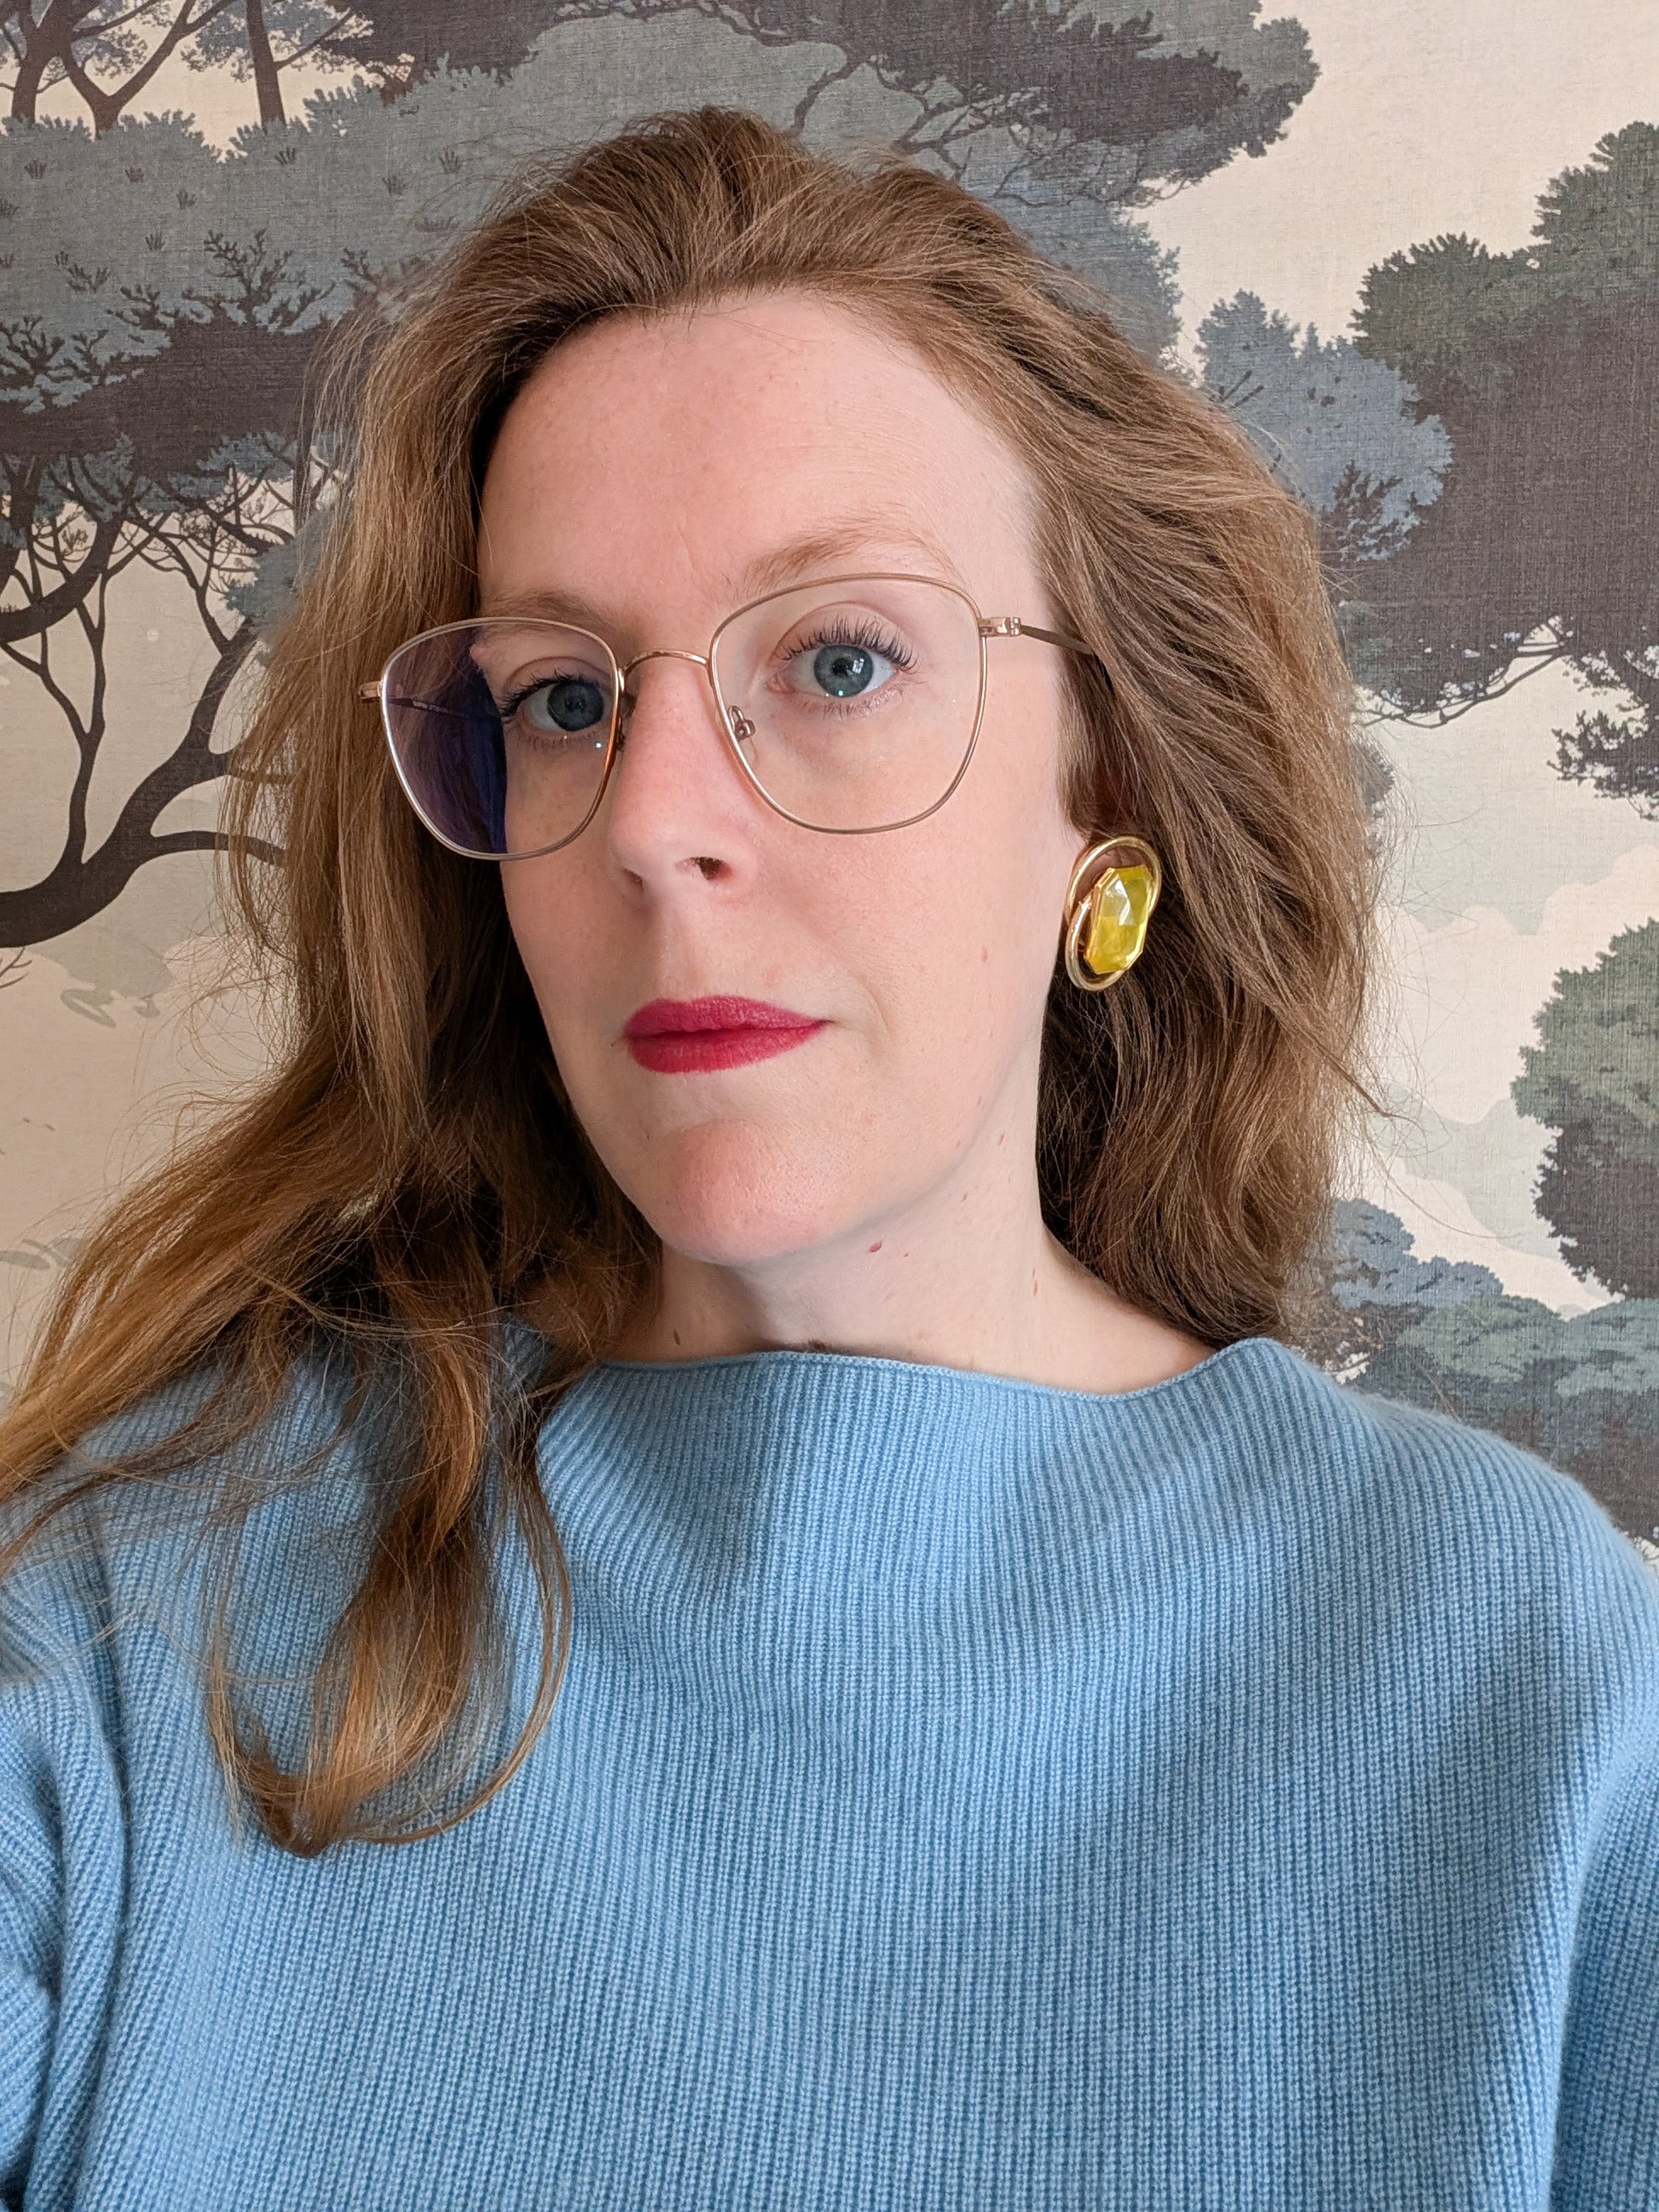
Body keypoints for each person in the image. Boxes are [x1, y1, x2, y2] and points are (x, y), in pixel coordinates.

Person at [0, 106, 1653, 2212]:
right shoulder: (142, 1613)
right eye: (563, 696)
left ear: (1109, 786)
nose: (649, 820)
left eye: (840, 660)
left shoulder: (1519, 1674)